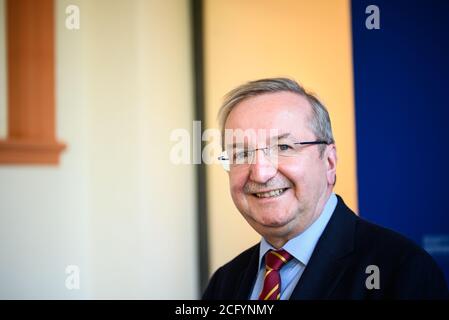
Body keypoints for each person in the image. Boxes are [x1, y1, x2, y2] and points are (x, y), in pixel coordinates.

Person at [202, 77, 448, 300]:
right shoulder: (224, 283)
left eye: (284, 147)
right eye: (242, 154)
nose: (261, 173)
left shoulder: (402, 273)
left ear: (329, 162)